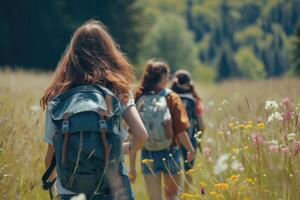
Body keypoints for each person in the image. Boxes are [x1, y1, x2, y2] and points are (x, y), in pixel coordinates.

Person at [40, 20, 148, 200]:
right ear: (109, 53)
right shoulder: (118, 90)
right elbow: (141, 135)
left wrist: (53, 183)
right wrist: (119, 150)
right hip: (114, 189)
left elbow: (51, 159)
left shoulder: (58, 96)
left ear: (72, 55)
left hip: (71, 190)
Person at [129, 59, 195, 200]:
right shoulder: (172, 97)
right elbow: (180, 131)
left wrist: (132, 167)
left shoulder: (138, 97)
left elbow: (133, 134)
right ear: (163, 76)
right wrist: (190, 149)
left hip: (148, 154)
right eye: (168, 75)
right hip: (170, 152)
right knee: (172, 197)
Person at [171, 69, 205, 191]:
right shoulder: (194, 100)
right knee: (188, 169)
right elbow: (201, 125)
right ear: (189, 82)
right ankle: (186, 193)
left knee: (173, 168)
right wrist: (198, 140)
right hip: (190, 138)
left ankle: (175, 194)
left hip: (172, 140)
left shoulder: (169, 97)